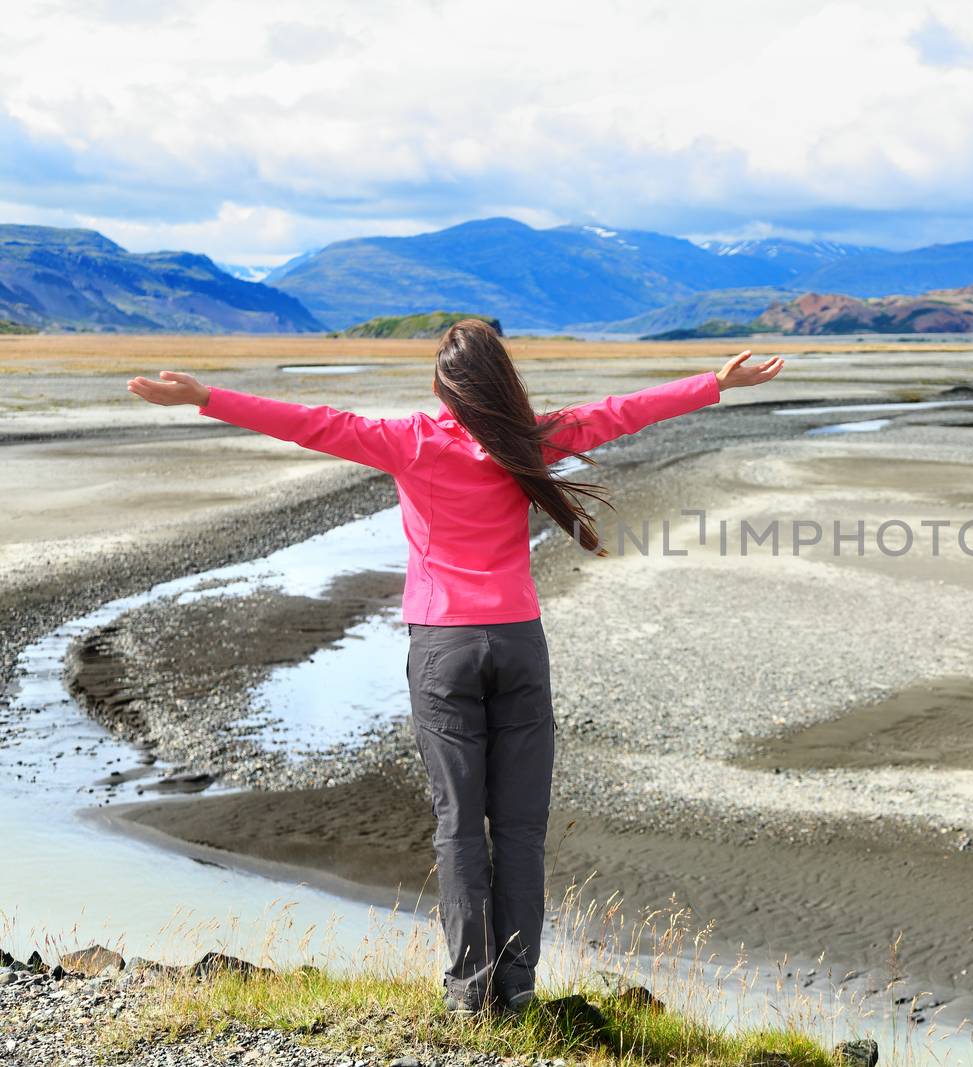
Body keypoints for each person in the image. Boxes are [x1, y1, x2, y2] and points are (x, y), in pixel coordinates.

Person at [127, 319, 784, 1013]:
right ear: (499, 381)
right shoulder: (527, 436)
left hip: (443, 648)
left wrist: (208, 397)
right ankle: (517, 986)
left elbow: (311, 424)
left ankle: (470, 992)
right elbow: (619, 414)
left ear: (443, 385)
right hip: (518, 643)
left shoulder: (410, 440)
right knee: (521, 827)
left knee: (460, 825)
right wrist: (712, 384)